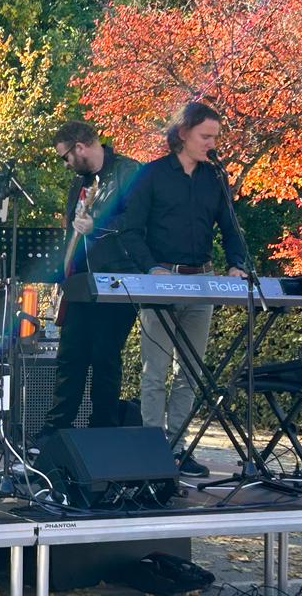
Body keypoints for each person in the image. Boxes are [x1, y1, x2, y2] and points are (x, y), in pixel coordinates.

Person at [120, 101, 247, 477]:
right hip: (161, 282)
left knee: (191, 372)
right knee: (154, 371)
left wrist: (237, 264)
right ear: (182, 133)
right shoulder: (151, 175)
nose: (212, 143)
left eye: (216, 137)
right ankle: (150, 448)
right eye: (206, 136)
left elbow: (230, 227)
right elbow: (131, 231)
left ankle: (178, 448)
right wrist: (152, 268)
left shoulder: (214, 178)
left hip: (202, 281)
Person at [38, 121, 140, 441]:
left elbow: (140, 221)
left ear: (80, 147)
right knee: (70, 358)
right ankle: (55, 434)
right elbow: (72, 233)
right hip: (80, 282)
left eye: (65, 157)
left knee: (104, 358)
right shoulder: (78, 184)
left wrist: (98, 225)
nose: (65, 164)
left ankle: (102, 435)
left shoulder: (129, 171)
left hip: (117, 280)